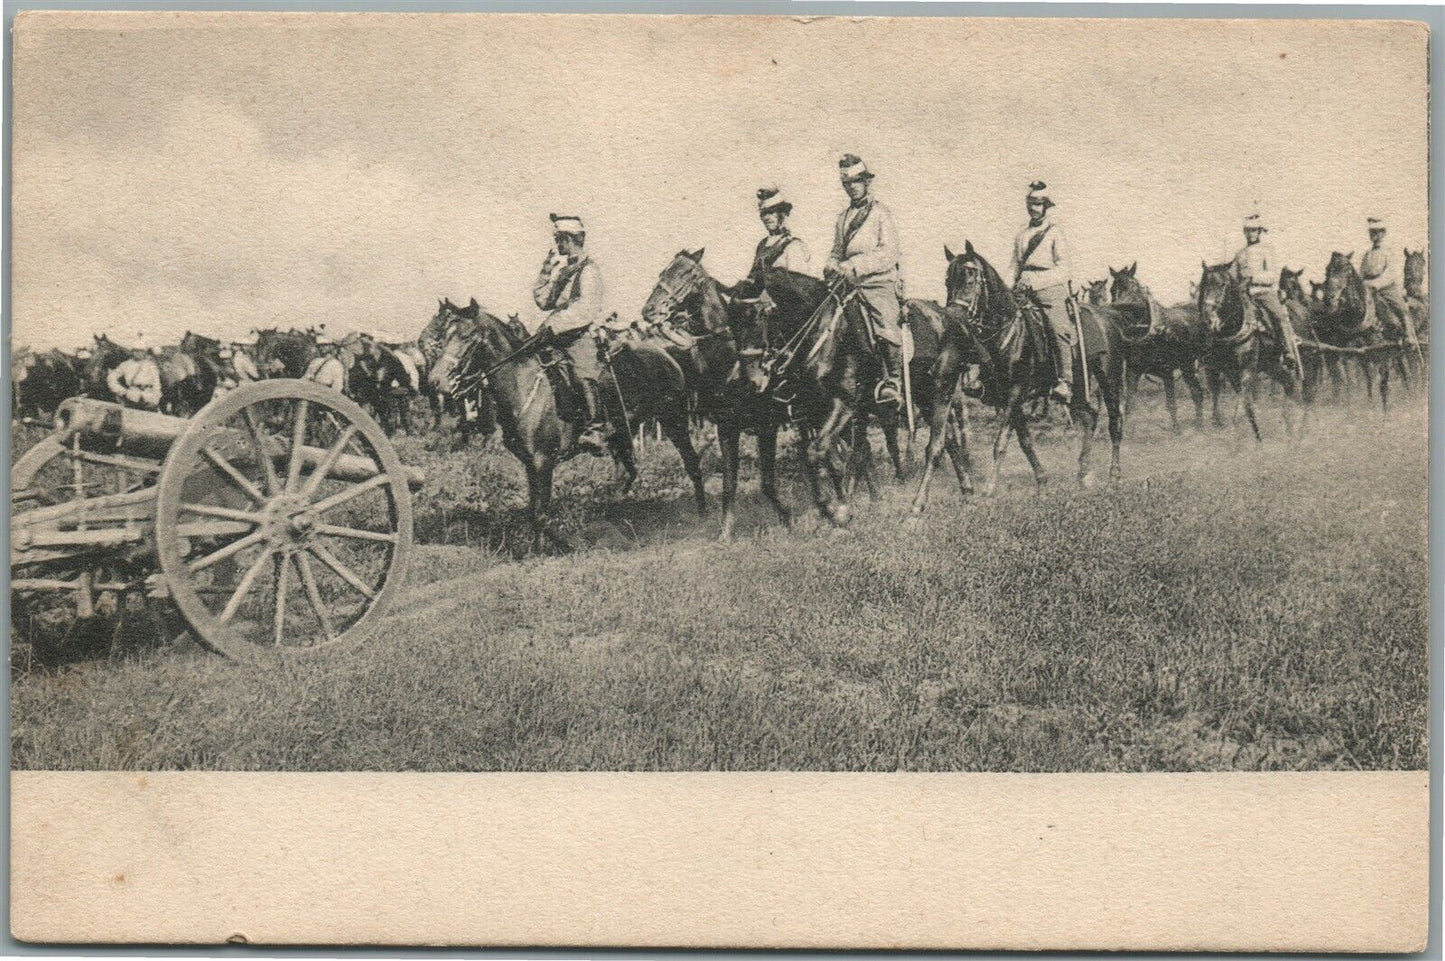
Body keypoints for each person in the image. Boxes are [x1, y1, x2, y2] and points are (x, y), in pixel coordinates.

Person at [824, 154, 905, 406]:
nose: (852, 188)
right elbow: (838, 250)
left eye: (856, 182)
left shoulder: (881, 214)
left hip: (877, 281)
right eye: (847, 184)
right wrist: (832, 264)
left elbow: (888, 252)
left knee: (883, 320)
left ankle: (892, 380)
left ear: (866, 182)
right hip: (848, 282)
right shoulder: (843, 218)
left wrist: (855, 265)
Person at [533, 213, 609, 453]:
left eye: (560, 239)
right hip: (554, 333)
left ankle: (595, 429)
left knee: (582, 374)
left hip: (577, 335)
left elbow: (586, 308)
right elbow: (544, 302)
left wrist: (554, 326)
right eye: (557, 239)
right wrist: (545, 273)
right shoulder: (564, 271)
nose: (557, 244)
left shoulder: (589, 270)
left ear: (572, 239)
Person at [1010, 181, 1074, 403]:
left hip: (1049, 289)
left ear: (1046, 206)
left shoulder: (1055, 233)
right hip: (1023, 289)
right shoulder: (1021, 235)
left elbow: (1064, 269)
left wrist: (1036, 281)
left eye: (1038, 204)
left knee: (1057, 328)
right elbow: (1014, 267)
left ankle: (1064, 381)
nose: (1033, 208)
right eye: (1031, 204)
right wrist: (1013, 285)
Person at [1231, 212, 1302, 373]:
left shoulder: (1266, 250)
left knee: (1279, 316)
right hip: (1244, 295)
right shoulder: (1239, 254)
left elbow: (1272, 275)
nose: (1251, 234)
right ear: (1244, 232)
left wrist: (1253, 277)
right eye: (1248, 231)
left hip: (1263, 292)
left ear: (1259, 232)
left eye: (1254, 230)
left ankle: (1288, 352)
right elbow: (1233, 276)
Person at [731, 187, 811, 298]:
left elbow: (798, 289)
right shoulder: (763, 244)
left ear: (782, 213)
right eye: (764, 213)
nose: (767, 218)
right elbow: (753, 279)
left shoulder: (793, 246)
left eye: (771, 212)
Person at [1360, 216, 1418, 345]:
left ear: (1383, 233)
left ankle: (1409, 335)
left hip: (1386, 287)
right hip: (1368, 287)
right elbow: (1362, 272)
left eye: (1377, 232)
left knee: (1401, 308)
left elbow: (1390, 273)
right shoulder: (1367, 254)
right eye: (1371, 232)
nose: (1374, 235)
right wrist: (1362, 283)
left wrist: (1376, 284)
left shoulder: (1388, 251)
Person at [106, 334, 162, 410]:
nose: (138, 353)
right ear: (132, 352)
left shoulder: (151, 365)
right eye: (136, 351)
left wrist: (156, 397)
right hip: (132, 397)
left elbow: (156, 383)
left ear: (144, 352)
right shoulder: (125, 365)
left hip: (149, 398)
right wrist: (122, 391)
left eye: (141, 351)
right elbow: (111, 378)